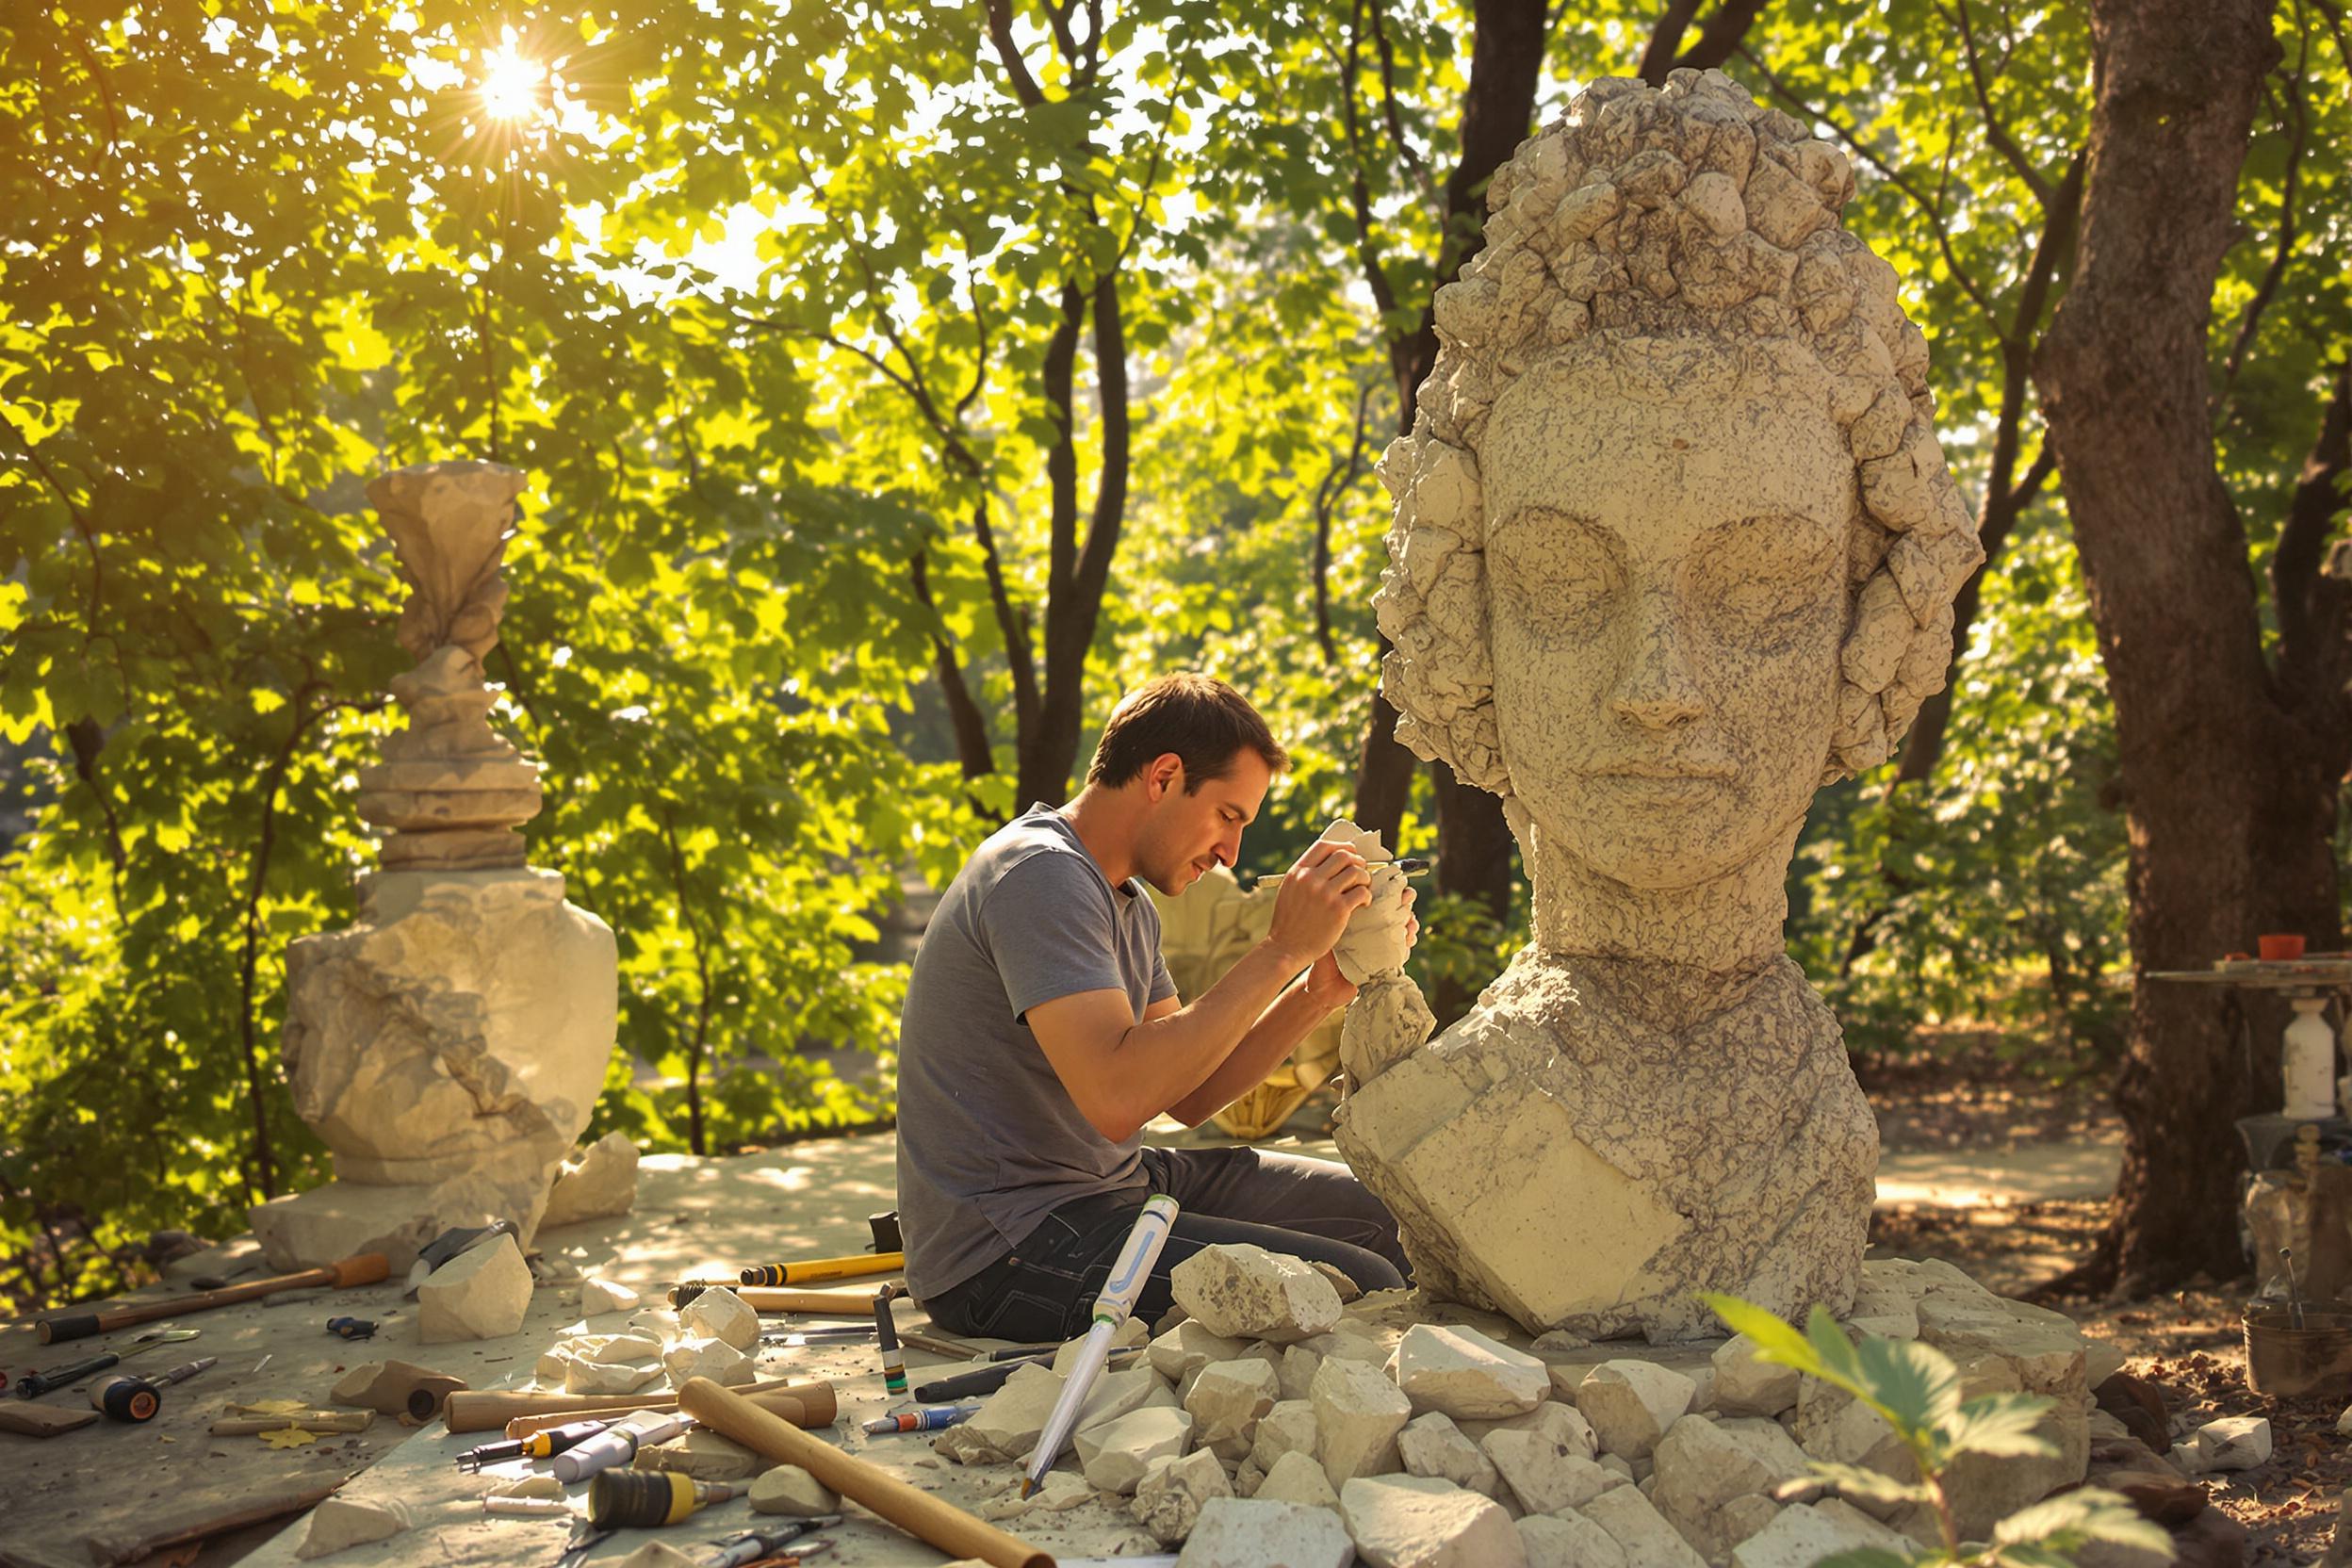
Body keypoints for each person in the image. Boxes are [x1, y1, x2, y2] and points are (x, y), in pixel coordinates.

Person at [894, 673, 1418, 1341]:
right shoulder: (1039, 873)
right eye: (1229, 816)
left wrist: (1318, 990)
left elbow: (1190, 1095)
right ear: (1165, 776)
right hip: (1009, 1250)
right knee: (1358, 1281)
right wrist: (1281, 950)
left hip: (1111, 1188)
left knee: (1392, 1213)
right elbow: (1118, 1099)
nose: (1232, 851)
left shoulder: (1127, 903)